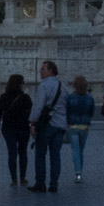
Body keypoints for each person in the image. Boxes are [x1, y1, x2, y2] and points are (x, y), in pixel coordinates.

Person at [29, 60, 65, 194]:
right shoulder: (63, 86)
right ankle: (54, 184)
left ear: (51, 71)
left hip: (46, 125)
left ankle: (40, 183)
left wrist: (32, 122)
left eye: (43, 69)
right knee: (55, 156)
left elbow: (38, 106)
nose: (40, 71)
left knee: (40, 154)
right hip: (60, 125)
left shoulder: (43, 86)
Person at [0, 74, 31, 188]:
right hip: (23, 128)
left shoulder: (4, 97)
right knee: (23, 152)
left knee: (12, 152)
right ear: (20, 84)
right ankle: (22, 178)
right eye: (23, 83)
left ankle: (14, 179)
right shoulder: (25, 98)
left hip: (8, 128)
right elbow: (31, 113)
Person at [64, 76, 95, 183]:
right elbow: (91, 113)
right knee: (80, 150)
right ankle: (79, 171)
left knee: (75, 151)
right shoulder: (90, 98)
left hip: (72, 127)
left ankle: (78, 173)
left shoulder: (70, 97)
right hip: (84, 127)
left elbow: (66, 111)